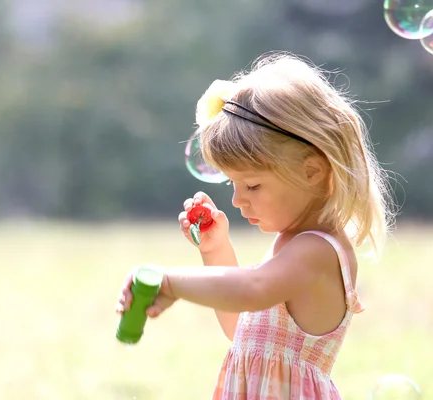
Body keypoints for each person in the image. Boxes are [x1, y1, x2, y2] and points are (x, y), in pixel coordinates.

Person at [115, 52, 395, 399]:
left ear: (312, 171)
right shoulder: (289, 245)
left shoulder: (318, 251)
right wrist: (215, 249)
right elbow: (241, 327)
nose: (236, 200)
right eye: (232, 184)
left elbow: (251, 289)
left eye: (252, 186)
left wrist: (172, 282)